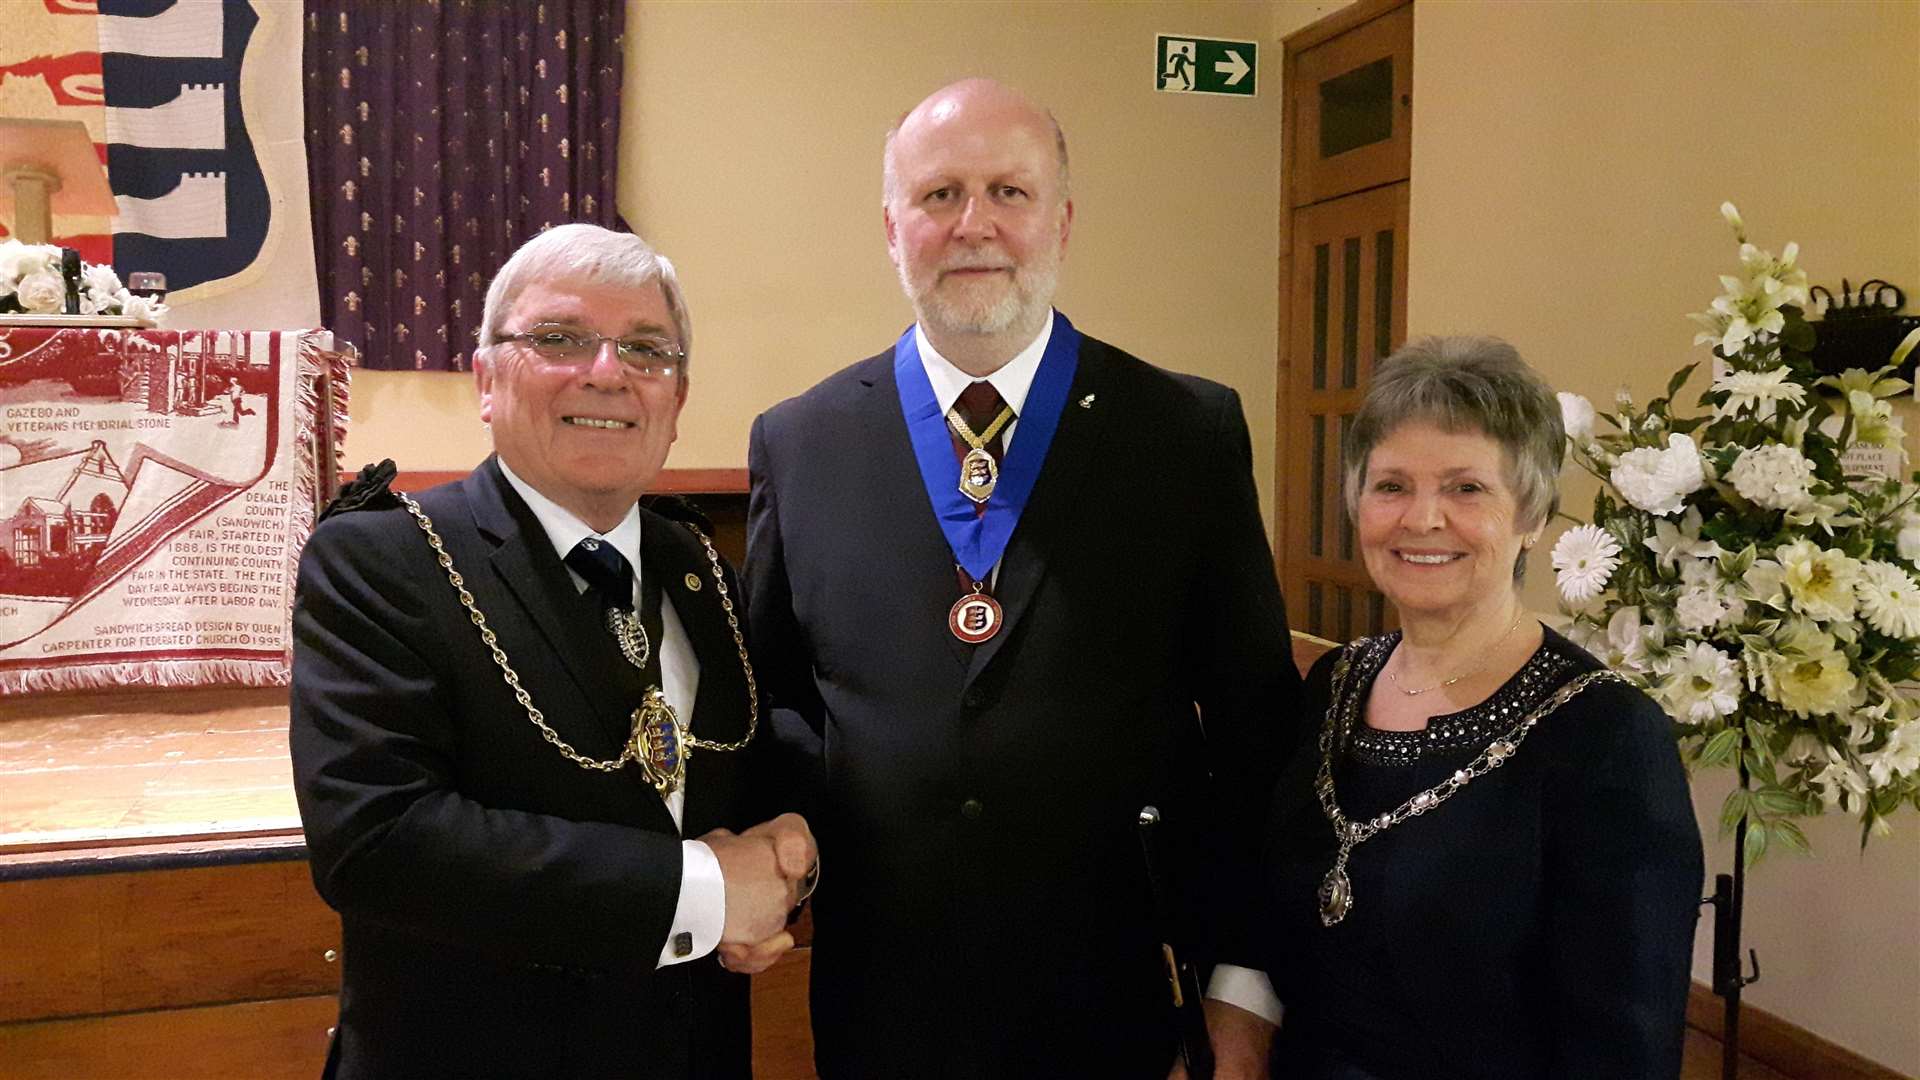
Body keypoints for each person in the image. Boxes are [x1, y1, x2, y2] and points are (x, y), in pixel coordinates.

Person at [745, 78, 1300, 1078]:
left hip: (1126, 991)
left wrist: (1246, 982)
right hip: (885, 1001)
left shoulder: (1184, 434)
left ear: (1063, 221)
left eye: (1010, 191)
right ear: (891, 226)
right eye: (939, 195)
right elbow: (779, 702)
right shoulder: (800, 443)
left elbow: (1258, 731)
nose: (975, 225)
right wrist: (778, 853)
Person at [290, 223, 815, 1080]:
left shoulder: (701, 570)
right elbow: (377, 840)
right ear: (487, 380)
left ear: (677, 402)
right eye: (560, 339)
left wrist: (798, 847)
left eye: (647, 350)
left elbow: (753, 761)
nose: (606, 372)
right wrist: (707, 895)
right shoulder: (384, 561)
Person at [1254, 337, 1704, 1078]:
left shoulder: (1605, 738)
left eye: (1467, 488)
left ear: (1531, 515)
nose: (1422, 519)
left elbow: (1622, 1048)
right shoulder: (1334, 685)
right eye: (1391, 485)